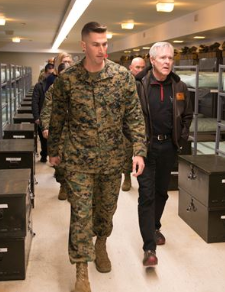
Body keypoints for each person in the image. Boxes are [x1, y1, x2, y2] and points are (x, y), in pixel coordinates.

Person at [47, 21, 146, 292]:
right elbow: (57, 118)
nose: (102, 49)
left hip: (113, 159)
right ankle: (81, 269)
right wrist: (53, 151)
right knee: (80, 214)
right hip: (78, 158)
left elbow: (134, 116)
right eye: (96, 44)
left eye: (105, 44)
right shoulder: (68, 80)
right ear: (83, 46)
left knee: (105, 210)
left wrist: (138, 150)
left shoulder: (122, 76)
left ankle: (100, 242)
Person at [134, 42, 193, 267]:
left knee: (161, 193)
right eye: (163, 58)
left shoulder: (179, 87)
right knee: (146, 194)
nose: (168, 61)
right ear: (152, 61)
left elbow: (187, 115)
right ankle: (149, 247)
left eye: (170, 57)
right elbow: (131, 119)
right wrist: (135, 149)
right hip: (145, 148)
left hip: (168, 147)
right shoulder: (139, 85)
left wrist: (181, 139)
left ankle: (155, 226)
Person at [40, 57, 73, 200]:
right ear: (58, 75)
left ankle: (72, 187)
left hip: (76, 130)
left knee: (75, 161)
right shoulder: (53, 90)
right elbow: (46, 109)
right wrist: (46, 127)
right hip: (59, 129)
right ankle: (63, 184)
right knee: (60, 162)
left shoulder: (79, 87)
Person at [121, 57, 146, 192]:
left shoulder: (146, 82)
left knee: (142, 152)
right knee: (126, 152)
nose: (140, 70)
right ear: (131, 67)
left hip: (142, 125)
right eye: (137, 67)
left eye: (143, 67)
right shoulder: (125, 82)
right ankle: (127, 177)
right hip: (126, 126)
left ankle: (141, 176)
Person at [32, 62, 55, 162]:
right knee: (43, 139)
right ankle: (44, 155)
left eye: (52, 74)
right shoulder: (39, 86)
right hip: (42, 116)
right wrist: (36, 117)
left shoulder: (57, 85)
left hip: (54, 117)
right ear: (45, 74)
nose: (51, 76)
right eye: (49, 74)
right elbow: (35, 102)